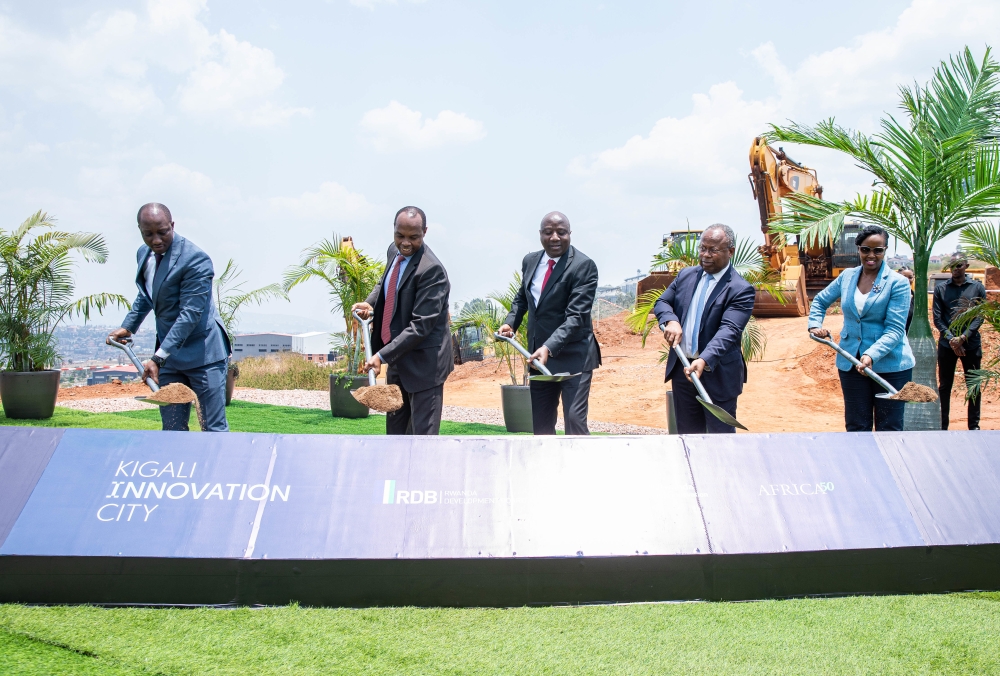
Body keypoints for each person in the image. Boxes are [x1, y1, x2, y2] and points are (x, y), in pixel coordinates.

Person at [109, 203, 231, 432]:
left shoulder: (196, 260)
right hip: (169, 357)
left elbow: (190, 315)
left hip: (203, 353)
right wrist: (129, 327)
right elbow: (148, 294)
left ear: (172, 226)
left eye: (162, 232)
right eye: (148, 234)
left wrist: (156, 359)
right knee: (172, 428)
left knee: (212, 427)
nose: (156, 240)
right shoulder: (143, 254)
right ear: (140, 231)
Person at [352, 206, 453, 435]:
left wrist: (381, 355)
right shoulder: (394, 251)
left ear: (424, 232)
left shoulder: (432, 271)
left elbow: (420, 327)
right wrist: (370, 303)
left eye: (413, 237)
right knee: (395, 435)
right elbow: (386, 282)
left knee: (422, 438)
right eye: (400, 236)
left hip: (425, 365)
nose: (405, 243)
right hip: (399, 359)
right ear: (394, 231)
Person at [499, 211, 601, 435]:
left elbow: (576, 316)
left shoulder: (584, 266)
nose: (555, 237)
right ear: (540, 234)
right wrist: (510, 323)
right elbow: (522, 298)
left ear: (570, 234)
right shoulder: (530, 261)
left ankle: (580, 468)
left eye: (561, 232)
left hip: (574, 356)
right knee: (541, 426)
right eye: (548, 232)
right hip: (539, 358)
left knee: (574, 421)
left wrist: (548, 347)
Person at [809, 224, 914, 432]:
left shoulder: (898, 283)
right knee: (857, 426)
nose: (871, 255)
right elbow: (820, 300)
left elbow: (894, 330)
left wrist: (870, 355)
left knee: (889, 427)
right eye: (865, 249)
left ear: (885, 251)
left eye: (878, 250)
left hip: (889, 367)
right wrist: (814, 326)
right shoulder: (847, 276)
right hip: (850, 363)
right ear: (858, 249)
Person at [653, 224, 754, 434]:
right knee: (688, 438)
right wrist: (671, 320)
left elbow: (729, 331)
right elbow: (662, 302)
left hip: (717, 374)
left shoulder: (740, 289)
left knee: (721, 442)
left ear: (730, 252)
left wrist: (704, 359)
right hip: (684, 372)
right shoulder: (686, 276)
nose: (705, 255)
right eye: (703, 248)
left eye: (713, 250)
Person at [934, 253, 987, 430]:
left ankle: (974, 426)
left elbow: (979, 316)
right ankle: (943, 426)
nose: (955, 268)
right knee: (945, 386)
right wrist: (952, 339)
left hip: (970, 345)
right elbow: (937, 318)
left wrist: (963, 337)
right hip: (946, 346)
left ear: (966, 266)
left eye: (959, 265)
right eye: (952, 265)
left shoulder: (977, 288)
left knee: (973, 386)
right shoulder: (941, 289)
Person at [898, 266, 915, 333]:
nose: (907, 280)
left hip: (911, 336)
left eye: (910, 277)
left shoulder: (916, 298)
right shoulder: (890, 295)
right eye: (904, 277)